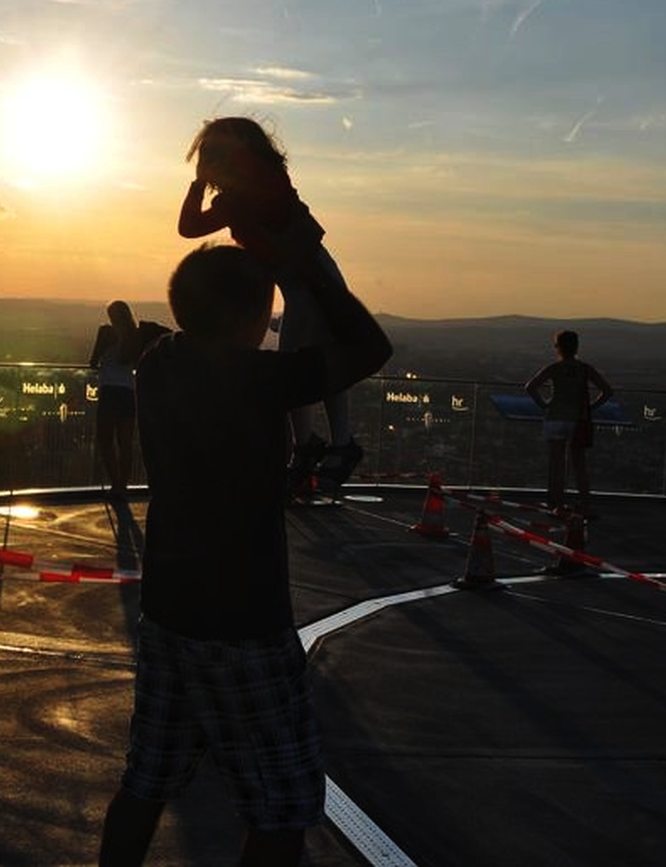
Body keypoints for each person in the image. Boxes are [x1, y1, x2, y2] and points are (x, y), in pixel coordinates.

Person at [100, 243, 349, 867]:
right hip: (246, 621)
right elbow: (368, 347)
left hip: (168, 612)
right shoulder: (259, 378)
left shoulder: (159, 362)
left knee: (147, 778)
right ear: (251, 317)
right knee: (283, 804)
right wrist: (310, 258)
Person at [177, 117, 390, 499]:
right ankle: (323, 446)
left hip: (310, 277)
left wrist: (200, 185)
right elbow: (190, 227)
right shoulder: (247, 192)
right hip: (302, 280)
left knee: (306, 358)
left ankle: (321, 446)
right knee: (310, 359)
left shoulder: (256, 187)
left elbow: (191, 226)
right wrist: (202, 185)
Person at [522, 330, 614, 515]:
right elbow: (607, 391)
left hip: (554, 418)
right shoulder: (585, 369)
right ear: (577, 347)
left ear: (558, 347)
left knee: (557, 465)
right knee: (579, 465)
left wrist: (544, 405)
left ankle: (558, 505)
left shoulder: (554, 368)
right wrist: (590, 407)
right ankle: (585, 505)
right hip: (577, 420)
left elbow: (530, 387)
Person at [87, 300, 169, 498]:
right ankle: (122, 486)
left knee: (106, 440)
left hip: (109, 391)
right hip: (129, 392)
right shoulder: (136, 336)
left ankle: (115, 483)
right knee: (125, 444)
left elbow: (93, 362)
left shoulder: (106, 333)